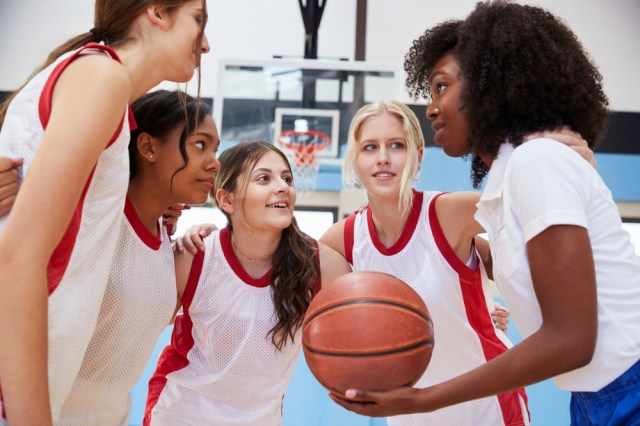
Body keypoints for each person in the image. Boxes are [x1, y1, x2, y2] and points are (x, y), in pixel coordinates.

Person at [331, 2, 640, 425]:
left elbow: (572, 339)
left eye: (442, 87)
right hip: (591, 397)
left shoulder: (536, 163)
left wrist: (423, 399)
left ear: (489, 87)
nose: (432, 109)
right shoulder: (507, 182)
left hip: (628, 386)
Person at [0, 1, 210, 421]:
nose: (205, 45)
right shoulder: (102, 76)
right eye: (198, 20)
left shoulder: (100, 86)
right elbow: (18, 258)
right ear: (157, 12)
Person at [143, 141, 352, 425]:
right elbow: (142, 320)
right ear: (226, 200)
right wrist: (158, 231)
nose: (282, 187)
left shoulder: (321, 265)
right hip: (181, 413)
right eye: (264, 178)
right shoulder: (197, 255)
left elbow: (362, 329)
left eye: (287, 178)